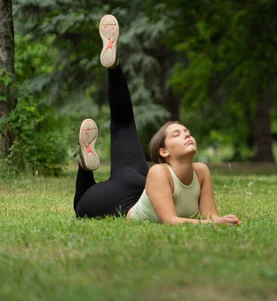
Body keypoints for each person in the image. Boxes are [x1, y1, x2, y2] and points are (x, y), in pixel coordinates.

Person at [73, 15, 240, 225]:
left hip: (140, 181)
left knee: (124, 123)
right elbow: (171, 220)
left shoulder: (201, 171)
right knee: (82, 207)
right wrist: (212, 224)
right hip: (121, 200)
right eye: (177, 134)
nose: (187, 135)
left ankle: (114, 67)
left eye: (187, 132)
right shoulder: (159, 171)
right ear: (163, 151)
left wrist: (220, 219)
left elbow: (209, 215)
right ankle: (84, 166)